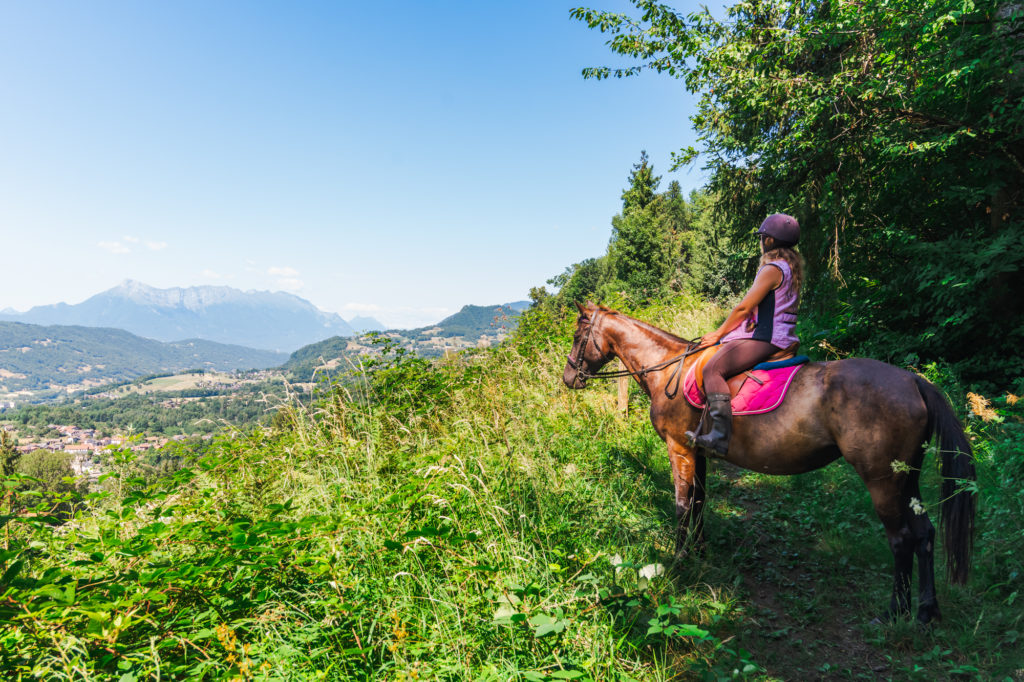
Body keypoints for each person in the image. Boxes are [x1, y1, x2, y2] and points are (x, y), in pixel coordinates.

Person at [685, 213, 804, 455]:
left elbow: (743, 307)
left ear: (769, 241)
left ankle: (719, 437)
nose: (761, 242)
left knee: (712, 369)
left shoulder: (772, 268)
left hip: (768, 339)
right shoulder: (790, 267)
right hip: (780, 335)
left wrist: (718, 333)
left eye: (762, 238)